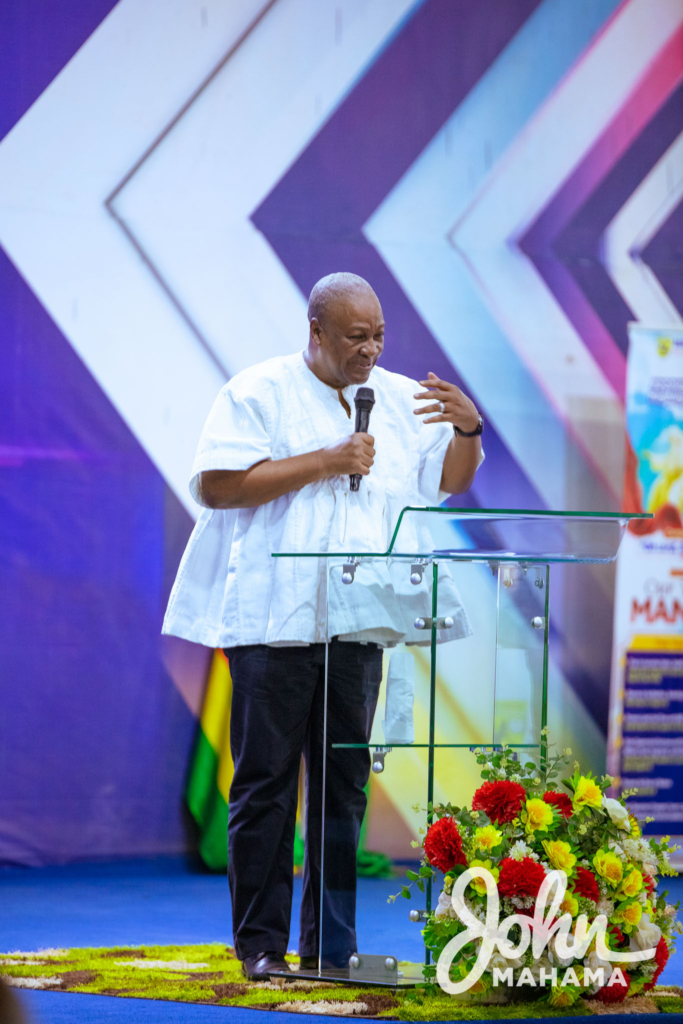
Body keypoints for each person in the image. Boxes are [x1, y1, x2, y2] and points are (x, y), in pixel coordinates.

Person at [163, 273, 483, 980]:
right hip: (272, 622)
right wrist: (325, 462)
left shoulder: (400, 399)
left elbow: (449, 481)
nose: (370, 349)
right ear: (315, 331)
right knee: (266, 784)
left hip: (359, 621)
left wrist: (467, 430)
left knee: (343, 786)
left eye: (379, 336)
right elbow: (216, 485)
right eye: (355, 336)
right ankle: (260, 948)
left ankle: (330, 947)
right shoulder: (258, 390)